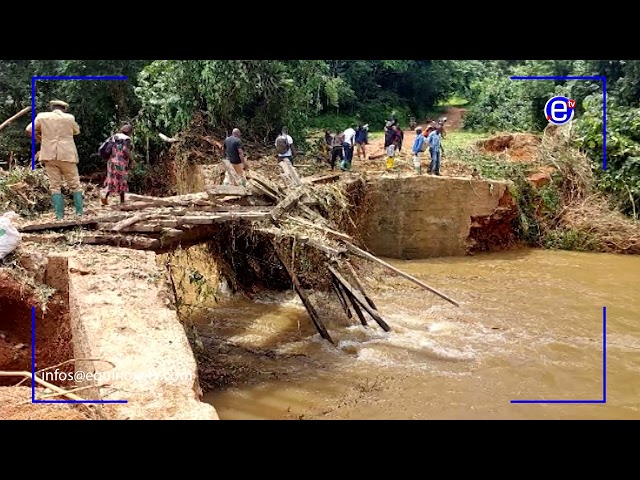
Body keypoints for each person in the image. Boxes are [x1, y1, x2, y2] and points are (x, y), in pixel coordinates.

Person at [25, 99, 83, 219]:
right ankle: (79, 214)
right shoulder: (69, 118)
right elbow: (76, 131)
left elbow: (29, 129)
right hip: (67, 155)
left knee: (55, 185)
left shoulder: (42, 116)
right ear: (64, 108)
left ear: (52, 107)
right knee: (75, 184)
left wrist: (41, 139)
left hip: (49, 154)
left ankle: (59, 216)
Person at [100, 124, 134, 206]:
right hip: (120, 162)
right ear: (129, 132)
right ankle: (122, 201)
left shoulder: (114, 137)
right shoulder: (127, 139)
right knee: (122, 180)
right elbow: (125, 149)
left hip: (111, 161)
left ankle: (105, 195)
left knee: (111, 180)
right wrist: (132, 159)